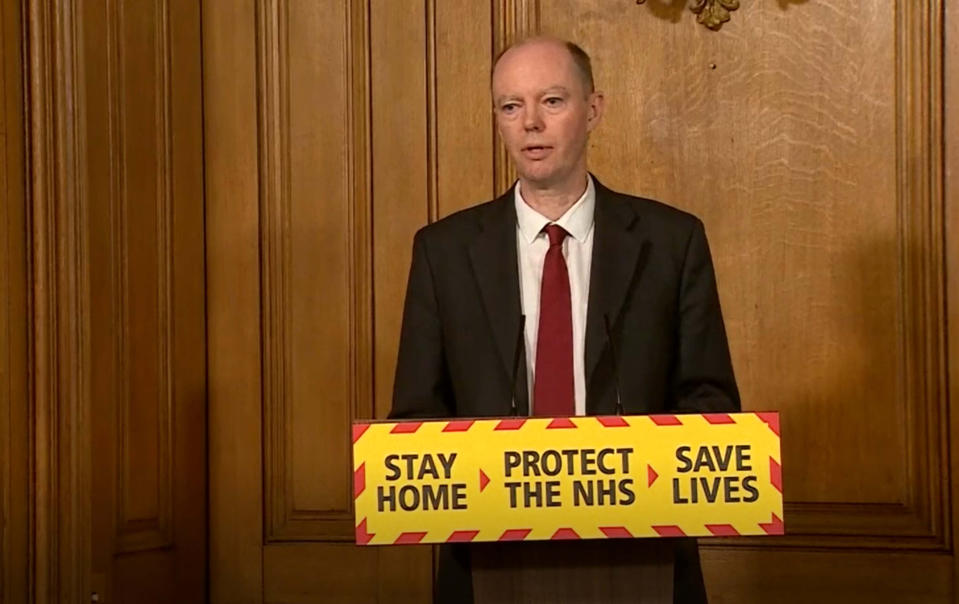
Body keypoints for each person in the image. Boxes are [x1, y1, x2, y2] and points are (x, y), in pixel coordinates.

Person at [389, 36, 740, 604]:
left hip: (640, 561)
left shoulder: (671, 242)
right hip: (488, 566)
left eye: (551, 101)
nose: (530, 123)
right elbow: (415, 418)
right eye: (510, 106)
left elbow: (711, 404)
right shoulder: (444, 252)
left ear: (594, 110)